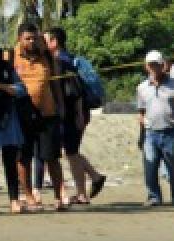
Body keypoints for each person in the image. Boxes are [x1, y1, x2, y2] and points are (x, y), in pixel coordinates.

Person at [44, 27, 105, 205]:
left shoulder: (63, 61)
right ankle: (94, 177)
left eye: (45, 40)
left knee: (71, 152)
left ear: (54, 42)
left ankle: (82, 194)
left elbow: (75, 91)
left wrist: (78, 113)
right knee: (71, 151)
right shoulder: (65, 59)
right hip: (73, 112)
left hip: (72, 112)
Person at [13, 23, 67, 211]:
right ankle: (29, 196)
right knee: (23, 158)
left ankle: (59, 197)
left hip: (47, 113)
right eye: (27, 38)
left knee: (52, 157)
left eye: (34, 38)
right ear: (19, 39)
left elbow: (56, 85)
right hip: (21, 115)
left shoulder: (46, 57)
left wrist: (61, 107)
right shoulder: (11, 57)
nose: (32, 41)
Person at [136, 49, 174, 207]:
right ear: (146, 67)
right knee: (150, 167)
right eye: (151, 65)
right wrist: (142, 129)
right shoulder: (142, 87)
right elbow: (141, 111)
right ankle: (153, 196)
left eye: (156, 65)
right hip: (151, 133)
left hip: (170, 131)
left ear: (162, 65)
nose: (154, 68)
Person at [0, 46, 26, 212]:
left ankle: (14, 200)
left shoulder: (7, 69)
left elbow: (22, 90)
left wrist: (1, 87)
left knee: (10, 162)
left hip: (8, 119)